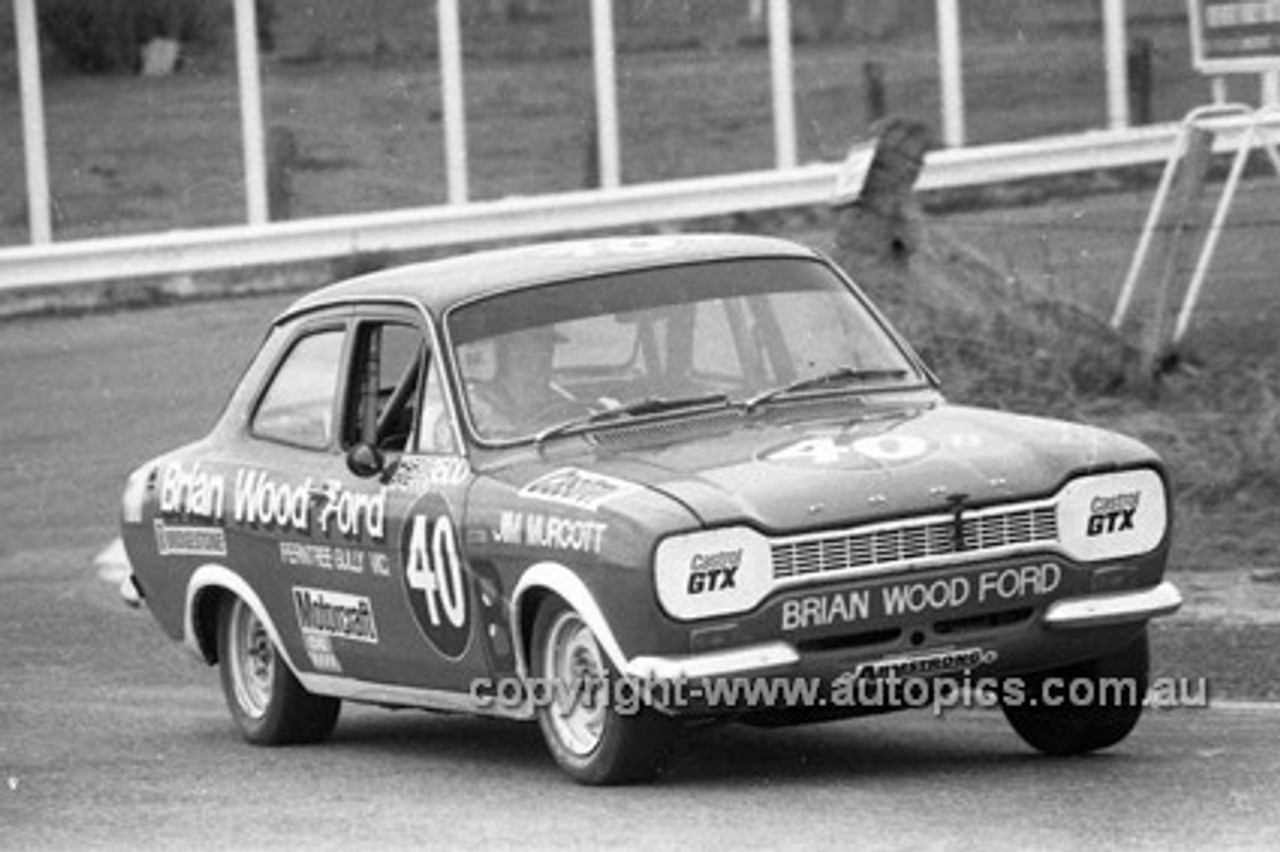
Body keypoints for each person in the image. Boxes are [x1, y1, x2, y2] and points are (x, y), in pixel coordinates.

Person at [467, 325, 580, 438]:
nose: (544, 357)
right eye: (534, 346)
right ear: (506, 353)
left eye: (548, 348)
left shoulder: (562, 402)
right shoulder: (474, 407)